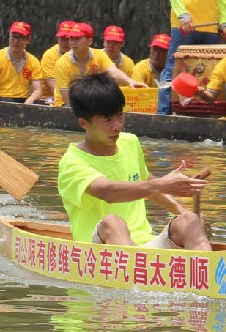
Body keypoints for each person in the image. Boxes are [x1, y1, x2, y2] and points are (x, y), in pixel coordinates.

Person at [58, 73, 211, 249]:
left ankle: (208, 265)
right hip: (96, 251)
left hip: (142, 246)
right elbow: (108, 192)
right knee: (112, 222)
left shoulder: (130, 142)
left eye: (119, 115)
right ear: (84, 123)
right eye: (107, 120)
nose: (117, 125)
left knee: (188, 220)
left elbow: (146, 183)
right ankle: (138, 264)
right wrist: (163, 184)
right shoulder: (72, 162)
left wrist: (182, 211)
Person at [54, 22, 142, 106]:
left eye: (77, 38)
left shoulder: (99, 55)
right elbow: (67, 98)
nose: (73, 42)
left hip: (92, 104)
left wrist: (129, 81)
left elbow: (112, 71)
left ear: (90, 41)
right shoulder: (62, 63)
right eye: (71, 38)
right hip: (64, 106)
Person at [0, 21, 45, 125]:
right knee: (9, 104)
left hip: (22, 100)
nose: (16, 41)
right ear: (9, 38)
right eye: (13, 37)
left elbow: (38, 90)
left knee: (42, 105)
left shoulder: (33, 61)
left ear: (28, 40)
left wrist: (31, 99)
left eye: (20, 38)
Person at [40, 22, 75, 101]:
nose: (64, 43)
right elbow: (53, 87)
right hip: (49, 99)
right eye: (61, 39)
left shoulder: (81, 55)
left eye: (67, 39)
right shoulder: (49, 56)